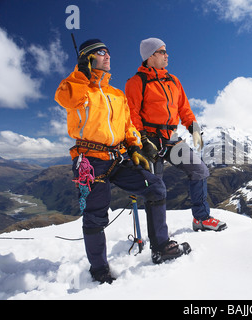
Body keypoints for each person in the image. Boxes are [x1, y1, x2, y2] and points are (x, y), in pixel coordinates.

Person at [55, 39, 190, 284]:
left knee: (156, 187)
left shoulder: (116, 94)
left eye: (108, 51)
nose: (107, 56)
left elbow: (128, 125)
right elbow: (65, 97)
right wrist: (81, 73)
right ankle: (99, 269)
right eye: (100, 52)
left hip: (117, 157)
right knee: (95, 215)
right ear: (87, 58)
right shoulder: (79, 89)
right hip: (89, 161)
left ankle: (160, 246)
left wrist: (135, 145)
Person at [125, 37, 227, 232]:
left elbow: (184, 108)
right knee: (156, 187)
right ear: (150, 56)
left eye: (165, 51)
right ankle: (159, 236)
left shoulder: (174, 81)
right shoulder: (136, 82)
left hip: (171, 139)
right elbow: (132, 114)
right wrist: (143, 139)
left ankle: (201, 218)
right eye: (162, 52)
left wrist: (194, 127)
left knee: (199, 170)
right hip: (150, 140)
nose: (166, 55)